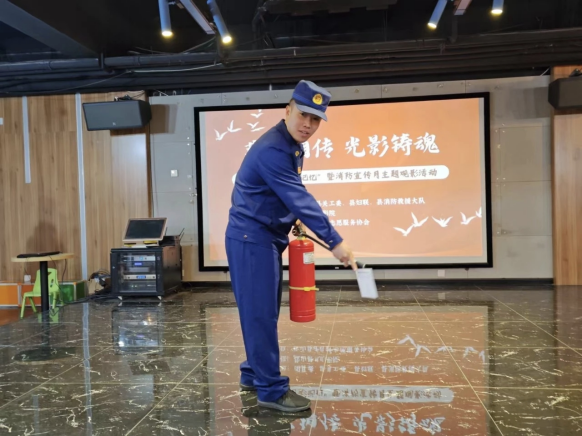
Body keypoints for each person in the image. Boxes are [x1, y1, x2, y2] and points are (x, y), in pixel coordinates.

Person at [225, 80, 357, 413]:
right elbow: (299, 197)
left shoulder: (291, 145)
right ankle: (271, 392)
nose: (308, 125)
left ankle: (253, 373)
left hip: (264, 237)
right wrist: (335, 241)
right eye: (302, 115)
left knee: (263, 312)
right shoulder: (273, 148)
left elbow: (282, 193)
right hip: (251, 239)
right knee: (260, 315)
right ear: (287, 110)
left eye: (315, 119)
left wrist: (291, 218)